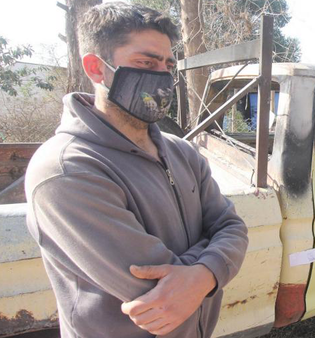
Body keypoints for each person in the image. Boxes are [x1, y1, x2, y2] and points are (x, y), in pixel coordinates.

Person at [25, 2, 248, 337]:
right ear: (96, 69)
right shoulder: (66, 170)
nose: (161, 78)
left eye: (167, 66)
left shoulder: (182, 152)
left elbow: (232, 226)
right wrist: (215, 264)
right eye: (145, 63)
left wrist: (201, 275)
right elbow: (155, 289)